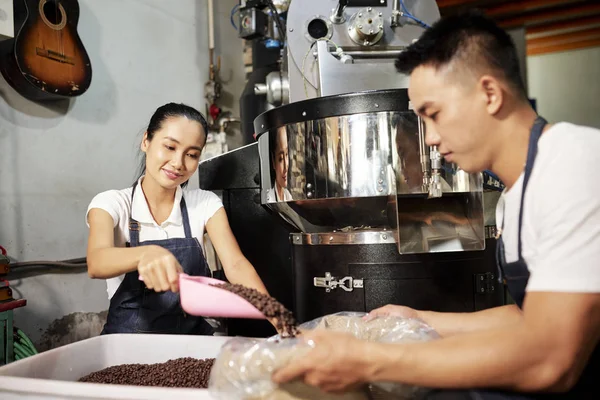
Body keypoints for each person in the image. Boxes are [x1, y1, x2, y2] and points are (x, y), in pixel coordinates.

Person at [271, 11, 600, 399]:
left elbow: (551, 359)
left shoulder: (575, 163)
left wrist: (368, 360)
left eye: (434, 114)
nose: (426, 138)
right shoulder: (515, 197)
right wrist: (420, 319)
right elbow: (530, 318)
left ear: (490, 94)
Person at [86, 102, 271, 335]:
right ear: (146, 141)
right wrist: (145, 253)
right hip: (128, 345)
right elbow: (97, 261)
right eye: (170, 147)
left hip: (192, 343)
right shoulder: (112, 203)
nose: (178, 163)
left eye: (191, 154)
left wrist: (277, 317)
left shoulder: (204, 204)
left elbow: (235, 264)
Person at [266, 127, 293, 202]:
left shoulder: (288, 196)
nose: (286, 166)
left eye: (287, 154)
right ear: (273, 161)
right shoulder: (269, 199)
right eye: (280, 158)